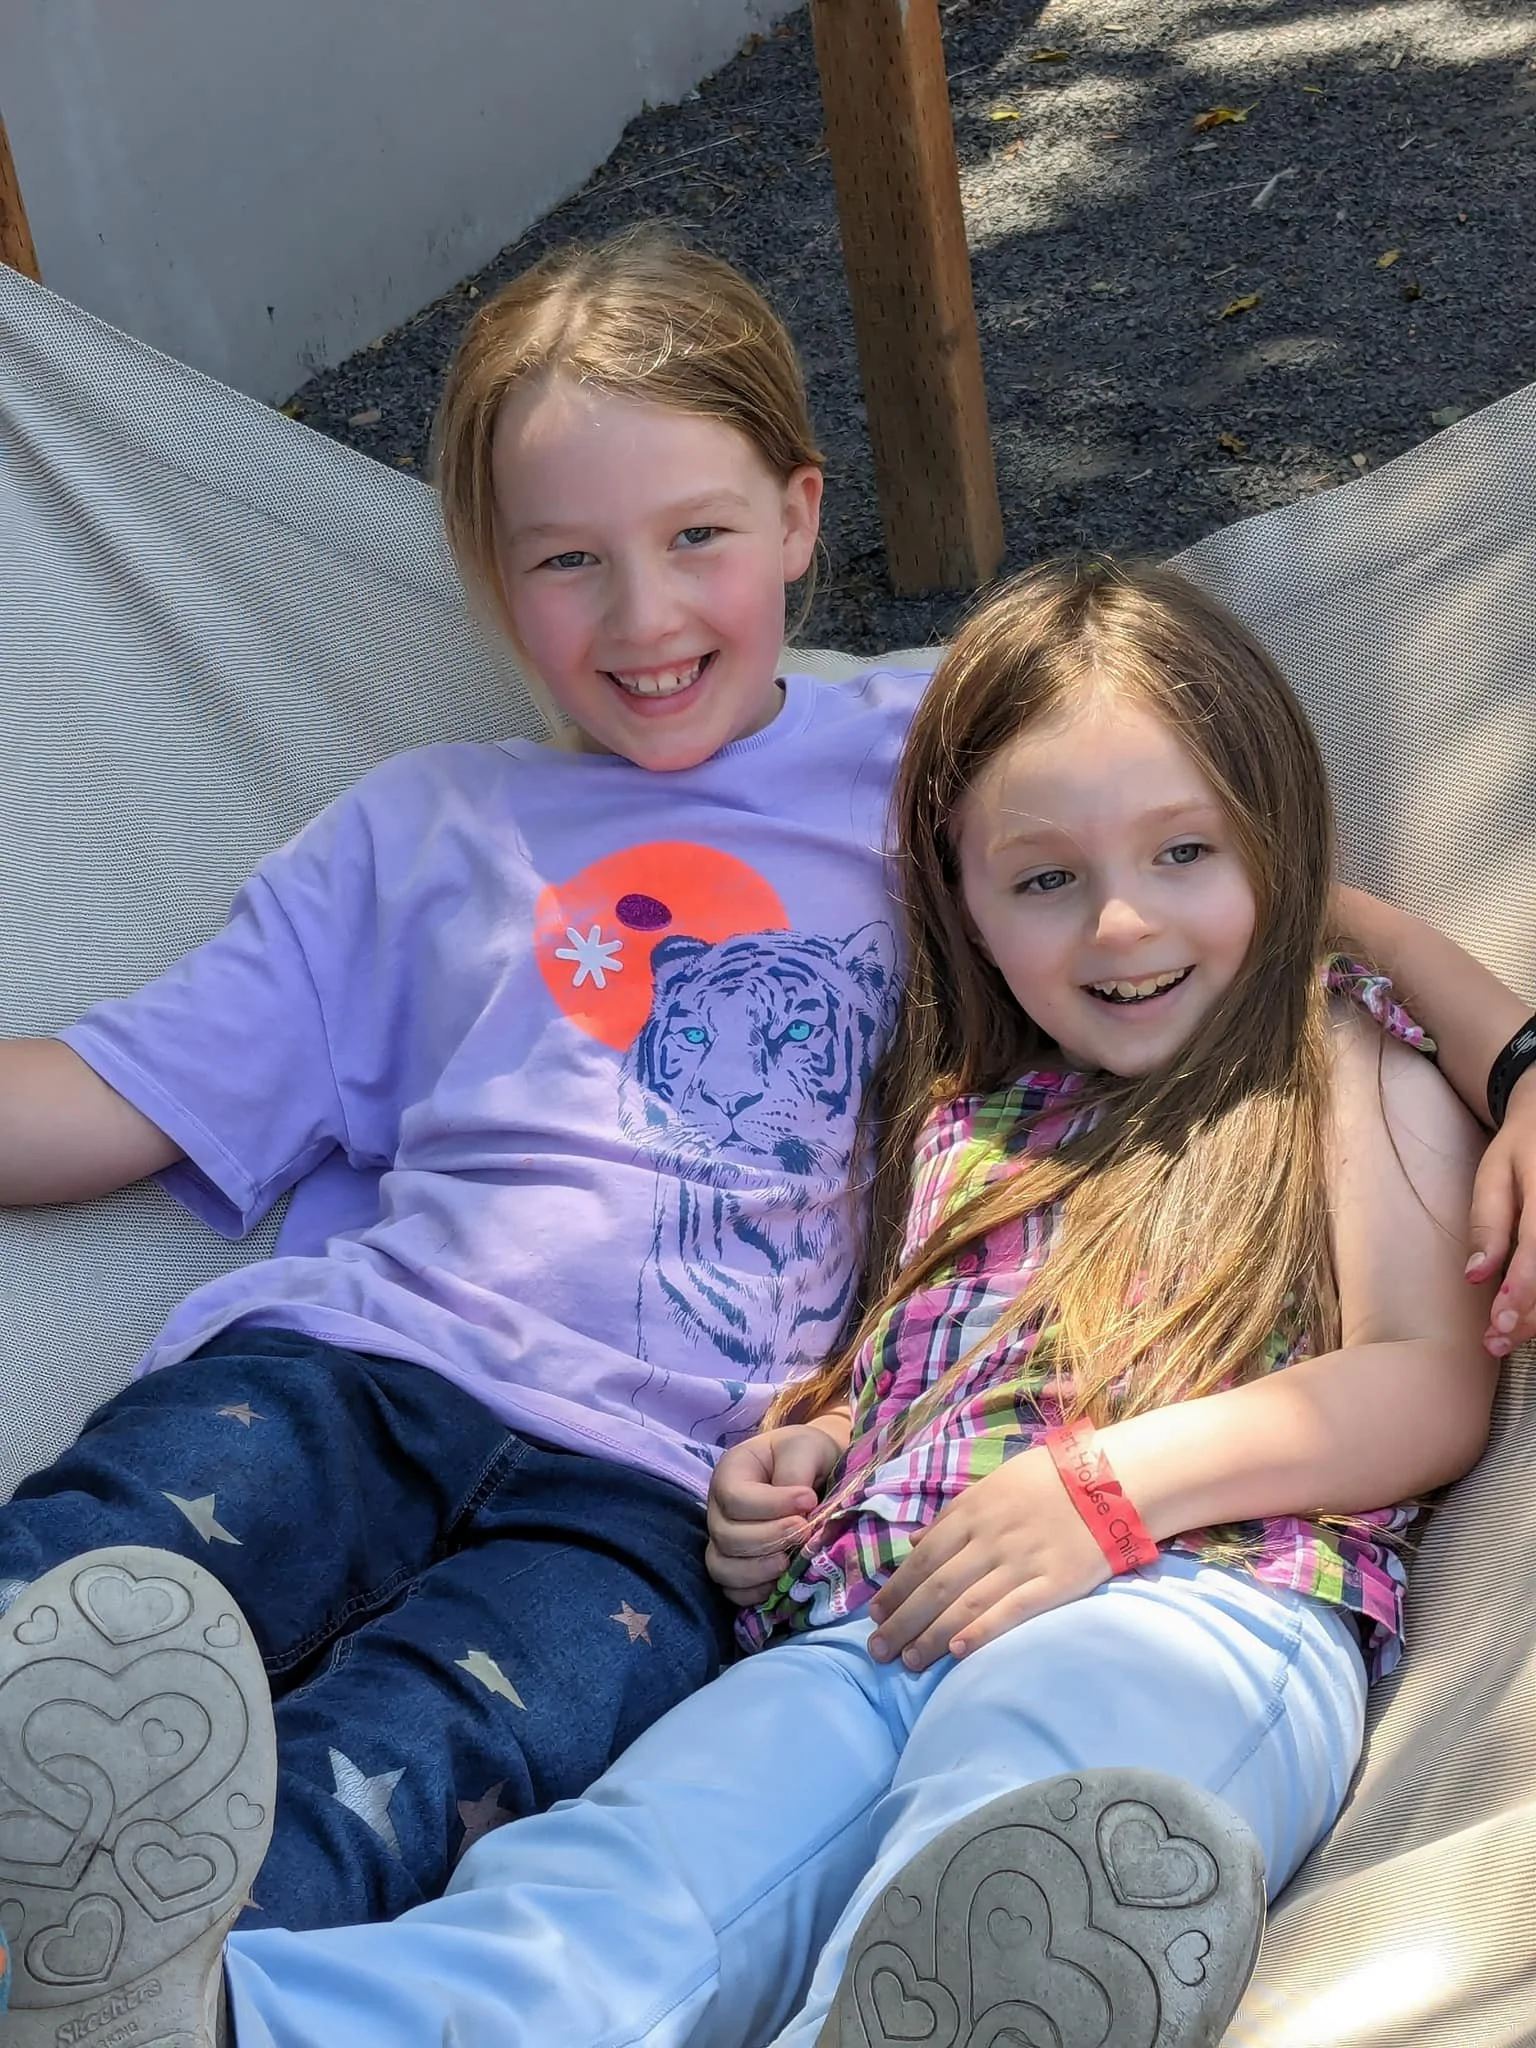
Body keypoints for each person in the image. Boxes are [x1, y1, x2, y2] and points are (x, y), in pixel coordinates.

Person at [0, 234, 1532, 2043]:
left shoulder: (967, 774)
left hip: (763, 1524)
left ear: (803, 517)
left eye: (698, 539)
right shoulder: (461, 847)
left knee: (435, 1776)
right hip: (468, 1416)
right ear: (488, 580)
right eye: (568, 560)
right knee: (242, 1659)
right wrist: (806, 1466)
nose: (645, 618)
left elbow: (1215, 867)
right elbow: (121, 1091)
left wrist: (1515, 1057)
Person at [201, 558, 1498, 2048]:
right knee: (635, 1870)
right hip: (872, 1626)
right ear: (961, 899)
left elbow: (1425, 1381)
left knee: (1031, 1814)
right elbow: (892, 1376)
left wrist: (1105, 1494)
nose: (1122, 926)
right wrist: (797, 1458)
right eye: (1046, 880)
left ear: (1277, 848)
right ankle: (241, 2020)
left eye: (1186, 853)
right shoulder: (960, 1116)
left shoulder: (1332, 1049)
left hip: (1201, 1602)